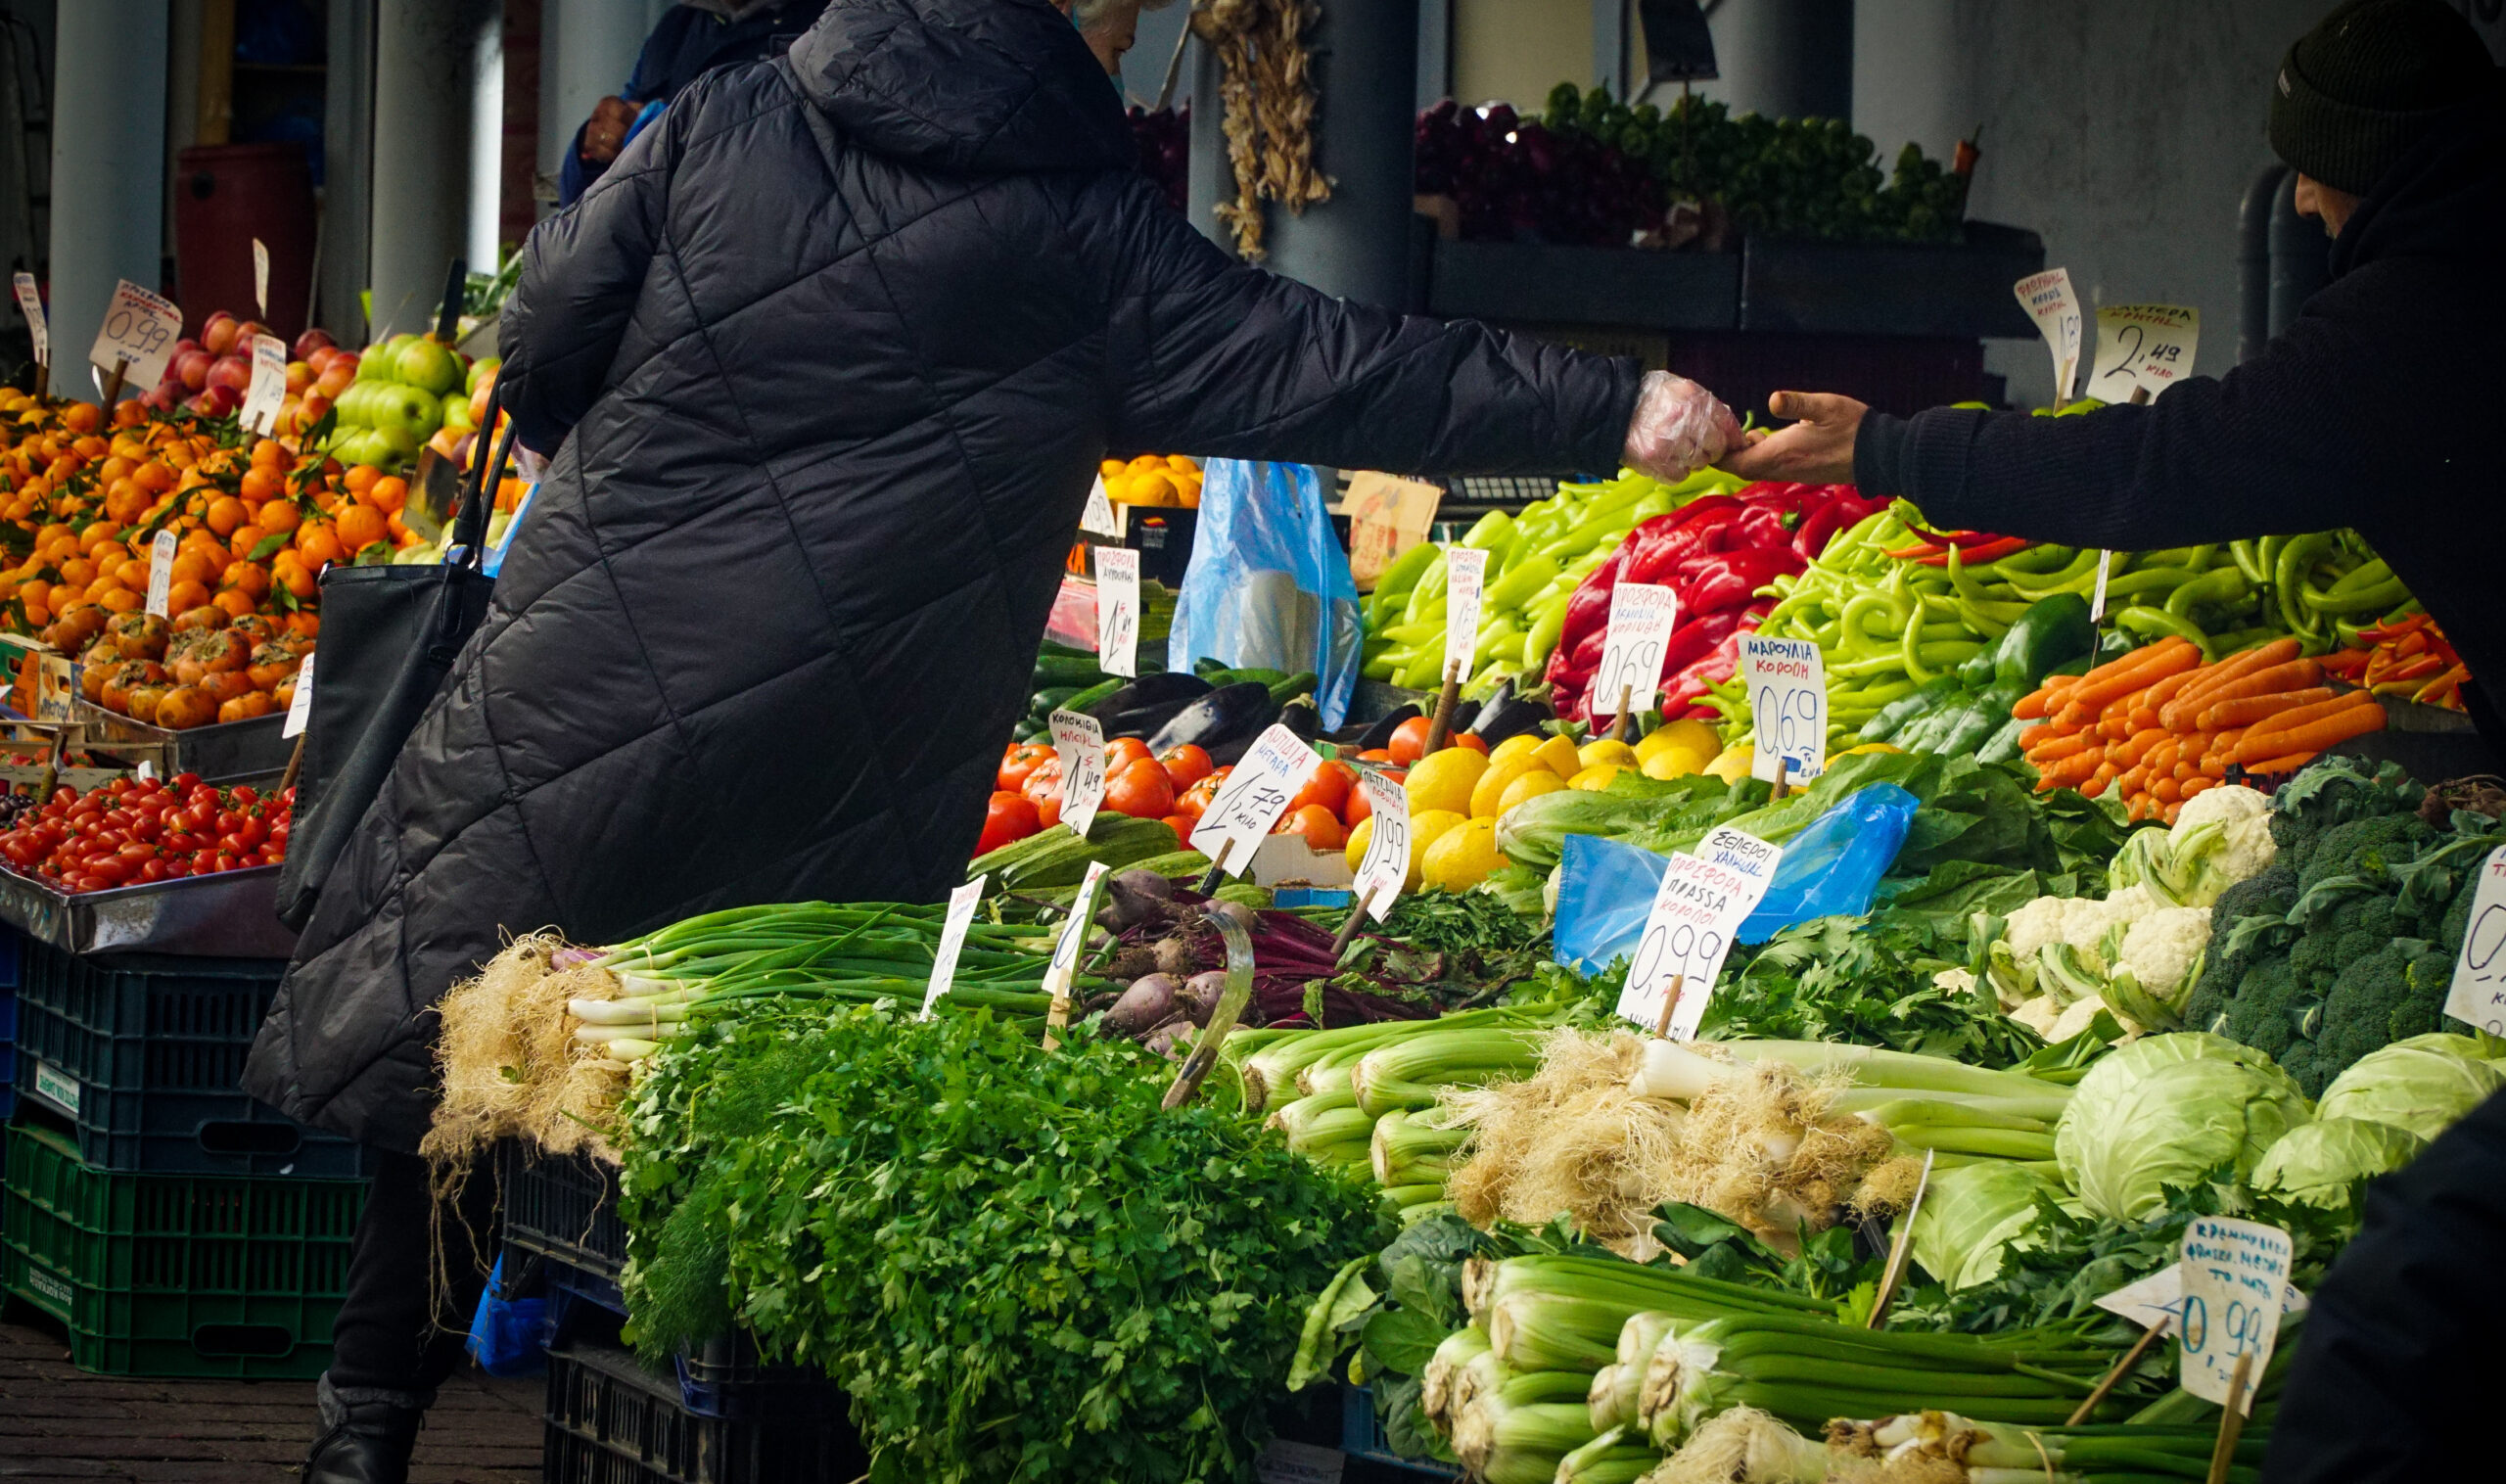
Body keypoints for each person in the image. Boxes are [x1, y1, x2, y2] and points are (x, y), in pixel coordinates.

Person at [249, 1, 1740, 1479]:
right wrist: (1620, 404)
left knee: (458, 1040)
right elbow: (1332, 363)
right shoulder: (1092, 233)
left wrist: (645, 462)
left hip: (585, 661)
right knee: (773, 1080)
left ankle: (365, 1424)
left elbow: (548, 326)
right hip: (840, 745)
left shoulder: (733, 113)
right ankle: (749, 1424)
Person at [1722, 0, 2506, 756]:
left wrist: (1884, 449)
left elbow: (2154, 466)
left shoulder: (2404, 327)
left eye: (2317, 167)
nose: (2299, 199)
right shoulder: (2456, 283)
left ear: (2382, 165)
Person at [560, 0, 832, 209]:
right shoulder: (678, 25)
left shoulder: (835, 22)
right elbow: (580, 208)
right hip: (672, 267)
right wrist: (597, 145)